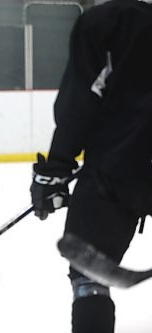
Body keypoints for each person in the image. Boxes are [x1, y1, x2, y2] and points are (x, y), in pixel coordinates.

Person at [30, 1, 152, 332]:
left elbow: (80, 100)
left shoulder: (110, 21)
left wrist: (55, 168)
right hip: (122, 163)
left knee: (88, 273)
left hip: (119, 165)